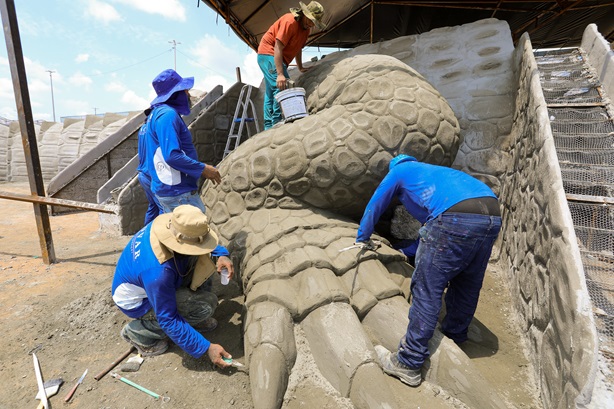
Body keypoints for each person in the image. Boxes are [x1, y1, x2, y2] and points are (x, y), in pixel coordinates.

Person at [356, 154, 502, 386]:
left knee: (427, 287)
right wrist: (405, 249)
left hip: (455, 216)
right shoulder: (434, 175)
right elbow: (436, 235)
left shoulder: (399, 171)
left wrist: (362, 238)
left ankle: (409, 362)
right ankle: (456, 334)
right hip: (491, 213)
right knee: (468, 282)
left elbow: (376, 203)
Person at [112, 205, 235, 367]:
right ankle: (138, 332)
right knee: (205, 306)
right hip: (139, 302)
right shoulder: (158, 272)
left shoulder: (170, 226)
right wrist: (206, 348)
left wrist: (220, 254)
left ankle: (189, 320)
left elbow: (199, 238)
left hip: (148, 281)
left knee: (202, 263)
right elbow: (168, 319)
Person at [142, 69, 222, 214]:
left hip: (169, 189)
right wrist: (203, 169)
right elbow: (172, 156)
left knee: (176, 233)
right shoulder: (168, 115)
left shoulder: (156, 114)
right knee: (195, 233)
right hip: (178, 193)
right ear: (176, 93)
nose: (188, 95)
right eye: (185, 91)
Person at [257, 1, 326, 130]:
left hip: (277, 57)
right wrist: (280, 74)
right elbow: (278, 47)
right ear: (304, 14)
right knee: (283, 85)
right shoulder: (290, 22)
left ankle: (268, 125)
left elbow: (298, 48)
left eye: (314, 23)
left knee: (270, 91)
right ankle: (277, 121)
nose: (311, 24)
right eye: (310, 20)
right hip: (268, 53)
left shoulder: (305, 31)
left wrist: (300, 67)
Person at [136, 110, 162, 225]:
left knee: (153, 206)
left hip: (143, 174)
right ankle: (160, 238)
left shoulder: (142, 129)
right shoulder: (153, 129)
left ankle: (146, 234)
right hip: (152, 174)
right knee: (163, 207)